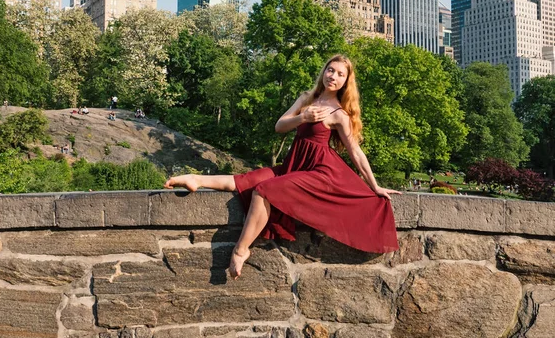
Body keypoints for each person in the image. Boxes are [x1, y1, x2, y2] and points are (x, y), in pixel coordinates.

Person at [164, 54, 400, 279]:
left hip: (319, 171)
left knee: (264, 190)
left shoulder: (339, 114)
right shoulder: (306, 98)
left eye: (340, 74)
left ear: (346, 82)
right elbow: (280, 126)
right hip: (294, 164)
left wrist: (375, 186)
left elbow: (355, 152)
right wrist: (302, 118)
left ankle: (241, 249)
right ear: (324, 72)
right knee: (248, 180)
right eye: (330, 70)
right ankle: (196, 179)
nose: (333, 76)